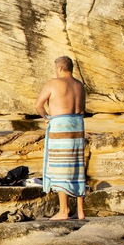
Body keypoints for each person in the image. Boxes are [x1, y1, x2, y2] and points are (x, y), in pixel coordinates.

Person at [35, 56, 88, 220]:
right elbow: (82, 108)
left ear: (59, 68)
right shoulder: (80, 86)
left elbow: (38, 105)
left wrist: (46, 117)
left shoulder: (53, 83)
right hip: (77, 124)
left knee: (60, 165)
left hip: (61, 124)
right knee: (77, 165)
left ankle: (64, 210)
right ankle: (80, 211)